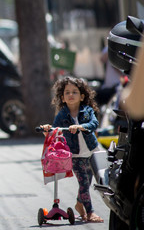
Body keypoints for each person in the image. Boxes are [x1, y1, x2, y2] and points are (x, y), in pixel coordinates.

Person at [40, 76, 104, 223]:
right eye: (67, 92)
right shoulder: (62, 114)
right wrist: (47, 130)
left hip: (91, 151)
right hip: (75, 154)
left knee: (87, 182)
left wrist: (81, 127)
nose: (70, 95)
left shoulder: (87, 110)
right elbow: (55, 131)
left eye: (74, 92)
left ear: (82, 96)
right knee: (83, 183)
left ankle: (79, 204)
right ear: (62, 98)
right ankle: (90, 212)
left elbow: (94, 123)